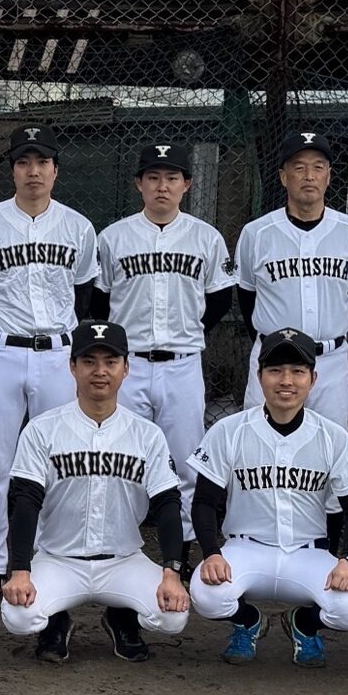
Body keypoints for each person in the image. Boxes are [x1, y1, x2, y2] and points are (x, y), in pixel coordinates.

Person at [0, 124, 99, 600]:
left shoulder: (78, 226)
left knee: (57, 458)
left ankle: (49, 558)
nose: (33, 171)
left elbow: (84, 295)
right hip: (1, 352)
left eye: (42, 162)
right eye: (23, 162)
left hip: (58, 354)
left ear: (55, 170)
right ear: (12, 170)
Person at [0, 320, 191, 663]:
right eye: (89, 361)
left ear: (126, 368)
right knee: (19, 617)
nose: (100, 371)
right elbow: (25, 503)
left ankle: (121, 617)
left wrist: (171, 572)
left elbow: (167, 504)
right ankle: (56, 621)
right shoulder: (42, 430)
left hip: (124, 561)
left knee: (172, 617)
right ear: (72, 366)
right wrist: (20, 570)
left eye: (110, 362)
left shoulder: (146, 434)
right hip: (58, 560)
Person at [187, 329, 348, 667]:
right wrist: (212, 553)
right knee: (207, 594)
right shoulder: (228, 431)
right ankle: (248, 621)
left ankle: (303, 624)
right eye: (275, 370)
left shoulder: (333, 437)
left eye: (297, 371)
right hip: (245, 549)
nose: (286, 380)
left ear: (313, 379)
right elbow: (203, 502)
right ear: (260, 376)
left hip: (308, 553)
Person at [90, 141, 237, 560]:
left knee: (186, 463)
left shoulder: (206, 238)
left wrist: (187, 331)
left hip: (182, 365)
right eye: (153, 177)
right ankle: (116, 551)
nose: (162, 186)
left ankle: (181, 554)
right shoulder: (113, 237)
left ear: (186, 184)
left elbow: (220, 300)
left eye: (172, 177)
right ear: (138, 183)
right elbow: (98, 301)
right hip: (129, 366)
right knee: (122, 459)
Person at [234, 130, 348, 424]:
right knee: (259, 439)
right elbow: (247, 295)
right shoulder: (256, 233)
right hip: (273, 360)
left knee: (331, 442)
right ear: (284, 177)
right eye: (299, 167)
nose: (309, 175)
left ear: (329, 175)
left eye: (318, 167)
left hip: (330, 361)